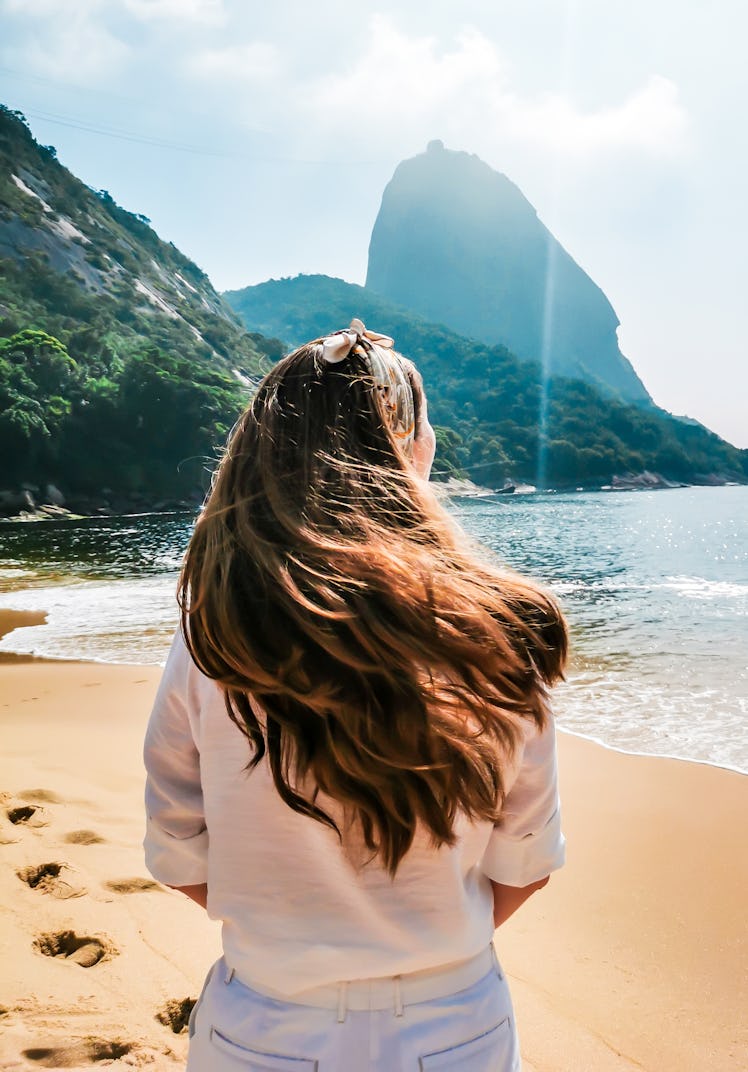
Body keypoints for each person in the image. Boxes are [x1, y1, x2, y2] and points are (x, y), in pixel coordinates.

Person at [143, 319, 568, 1071]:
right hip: (454, 1023)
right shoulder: (499, 627)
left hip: (267, 1024)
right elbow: (524, 861)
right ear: (411, 449)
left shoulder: (213, 634)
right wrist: (419, 937)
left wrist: (294, 932)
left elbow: (179, 848)